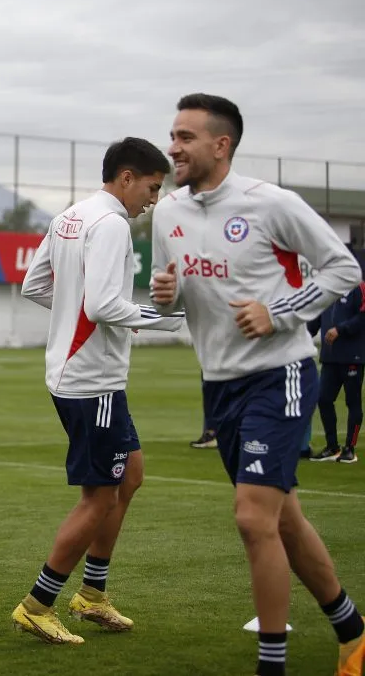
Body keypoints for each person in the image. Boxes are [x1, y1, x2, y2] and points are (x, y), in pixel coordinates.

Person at [150, 93, 365, 676]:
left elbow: (343, 269)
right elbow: (167, 290)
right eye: (172, 135)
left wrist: (280, 311)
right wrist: (164, 296)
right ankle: (353, 631)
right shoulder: (167, 213)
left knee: (252, 518)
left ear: (221, 145)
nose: (173, 147)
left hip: (282, 373)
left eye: (186, 137)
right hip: (220, 385)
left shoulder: (271, 204)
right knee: (282, 518)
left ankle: (272, 664)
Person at [15, 137, 181, 644]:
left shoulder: (71, 215)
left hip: (79, 373)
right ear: (126, 177)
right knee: (99, 496)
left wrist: (74, 319)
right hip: (93, 381)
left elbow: (34, 285)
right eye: (152, 188)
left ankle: (92, 594)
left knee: (129, 476)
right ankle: (38, 604)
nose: (153, 200)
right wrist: (167, 320)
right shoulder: (110, 223)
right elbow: (105, 306)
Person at [308, 283, 365, 463]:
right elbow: (316, 319)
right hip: (330, 356)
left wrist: (341, 329)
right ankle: (332, 446)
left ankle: (350, 448)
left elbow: (362, 318)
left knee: (353, 402)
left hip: (352, 356)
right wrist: (302, 336)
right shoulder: (327, 288)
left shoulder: (359, 287)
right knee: (323, 399)